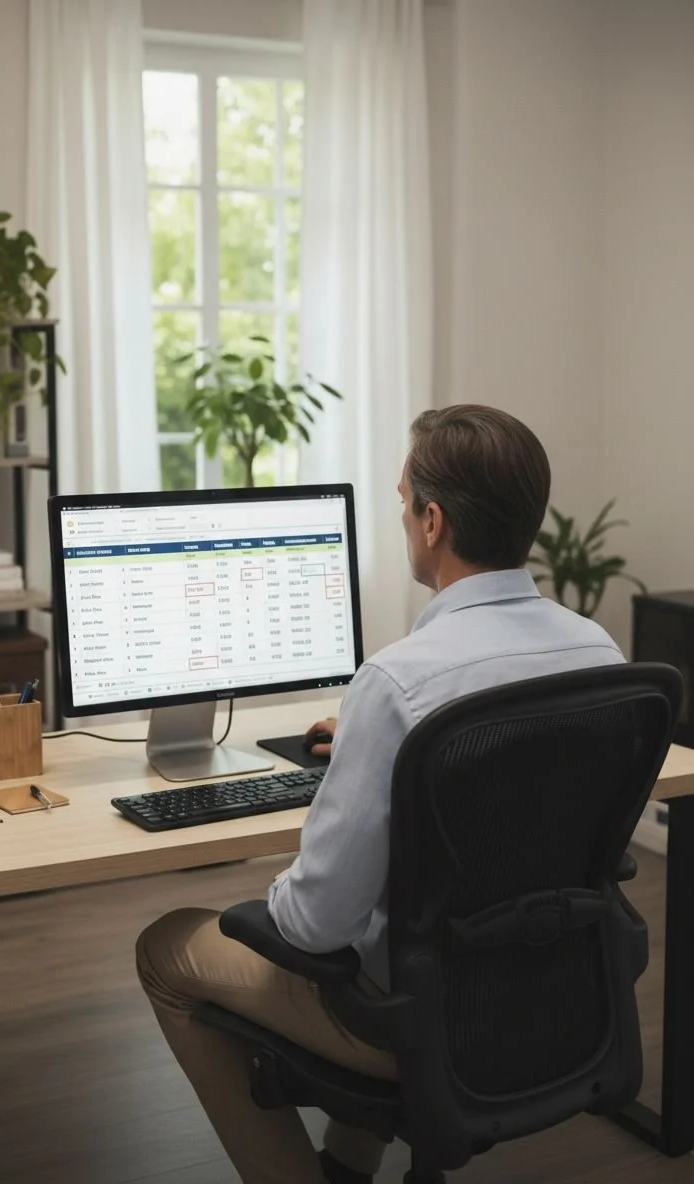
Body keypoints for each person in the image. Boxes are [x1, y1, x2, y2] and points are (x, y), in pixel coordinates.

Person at [136, 405, 624, 1184]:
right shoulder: (598, 652)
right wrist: (374, 754)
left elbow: (314, 923)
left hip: (417, 1019)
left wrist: (364, 755)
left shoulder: (398, 684)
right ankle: (344, 1166)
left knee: (167, 947)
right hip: (550, 992)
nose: (401, 516)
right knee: (395, 917)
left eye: (403, 501)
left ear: (432, 522)